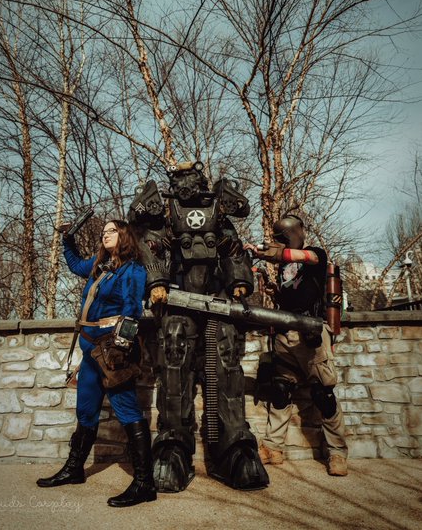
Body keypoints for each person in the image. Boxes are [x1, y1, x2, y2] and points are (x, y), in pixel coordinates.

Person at [128, 162, 268, 492]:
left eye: (191, 177)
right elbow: (151, 246)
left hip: (217, 300)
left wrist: (239, 281)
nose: (186, 183)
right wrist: (156, 281)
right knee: (174, 355)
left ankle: (234, 446)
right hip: (179, 300)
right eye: (180, 178)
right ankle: (173, 445)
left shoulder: (216, 213)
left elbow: (232, 248)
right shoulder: (165, 216)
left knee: (226, 357)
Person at [36, 219, 157, 507]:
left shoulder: (132, 270)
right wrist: (68, 239)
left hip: (110, 352)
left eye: (111, 230)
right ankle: (74, 469)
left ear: (124, 235)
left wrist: (120, 348)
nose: (105, 235)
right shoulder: (99, 266)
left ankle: (144, 483)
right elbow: (75, 265)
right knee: (86, 411)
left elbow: (132, 310)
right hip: (90, 352)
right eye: (103, 232)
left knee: (127, 410)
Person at [244, 214, 348, 476]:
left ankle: (337, 452)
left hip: (311, 333)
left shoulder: (315, 254)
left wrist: (268, 252)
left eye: (282, 237)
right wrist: (274, 290)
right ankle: (272, 448)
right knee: (280, 390)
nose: (280, 242)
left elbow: (304, 257)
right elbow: (292, 295)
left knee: (323, 395)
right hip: (285, 333)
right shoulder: (283, 268)